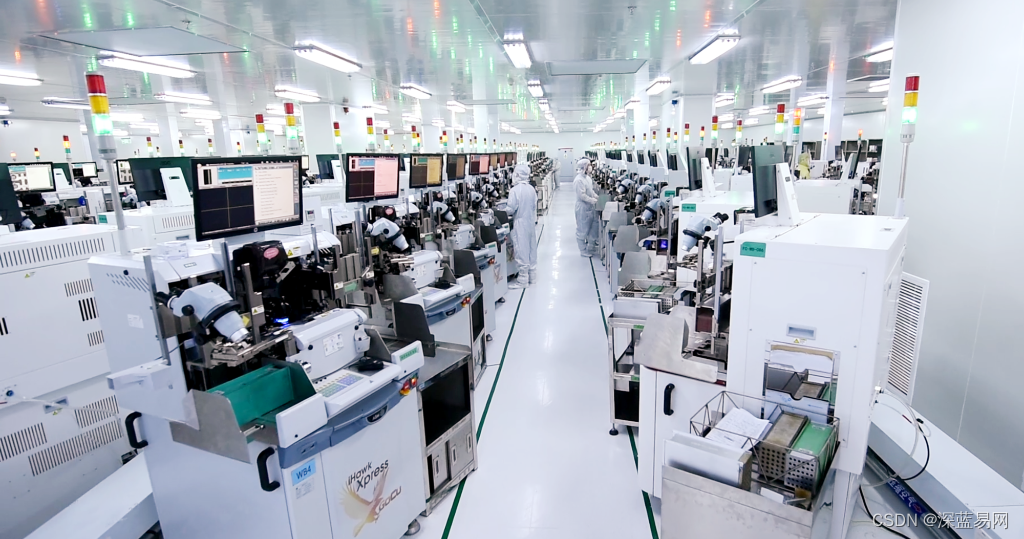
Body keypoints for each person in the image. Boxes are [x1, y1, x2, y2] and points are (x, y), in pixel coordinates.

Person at [505, 163, 538, 288]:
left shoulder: (515, 190)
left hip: (520, 223)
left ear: (517, 174)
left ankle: (523, 280)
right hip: (530, 222)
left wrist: (500, 211)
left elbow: (511, 209)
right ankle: (532, 276)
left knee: (521, 249)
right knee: (531, 248)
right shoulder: (531, 189)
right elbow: (534, 205)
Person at [573, 158, 599, 257]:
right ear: (584, 167)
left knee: (593, 228)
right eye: (589, 165)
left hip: (590, 207)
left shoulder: (587, 178)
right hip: (582, 208)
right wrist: (592, 200)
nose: (591, 167)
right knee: (582, 230)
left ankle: (590, 247)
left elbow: (590, 190)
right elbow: (582, 196)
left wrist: (596, 196)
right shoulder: (578, 180)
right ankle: (583, 250)